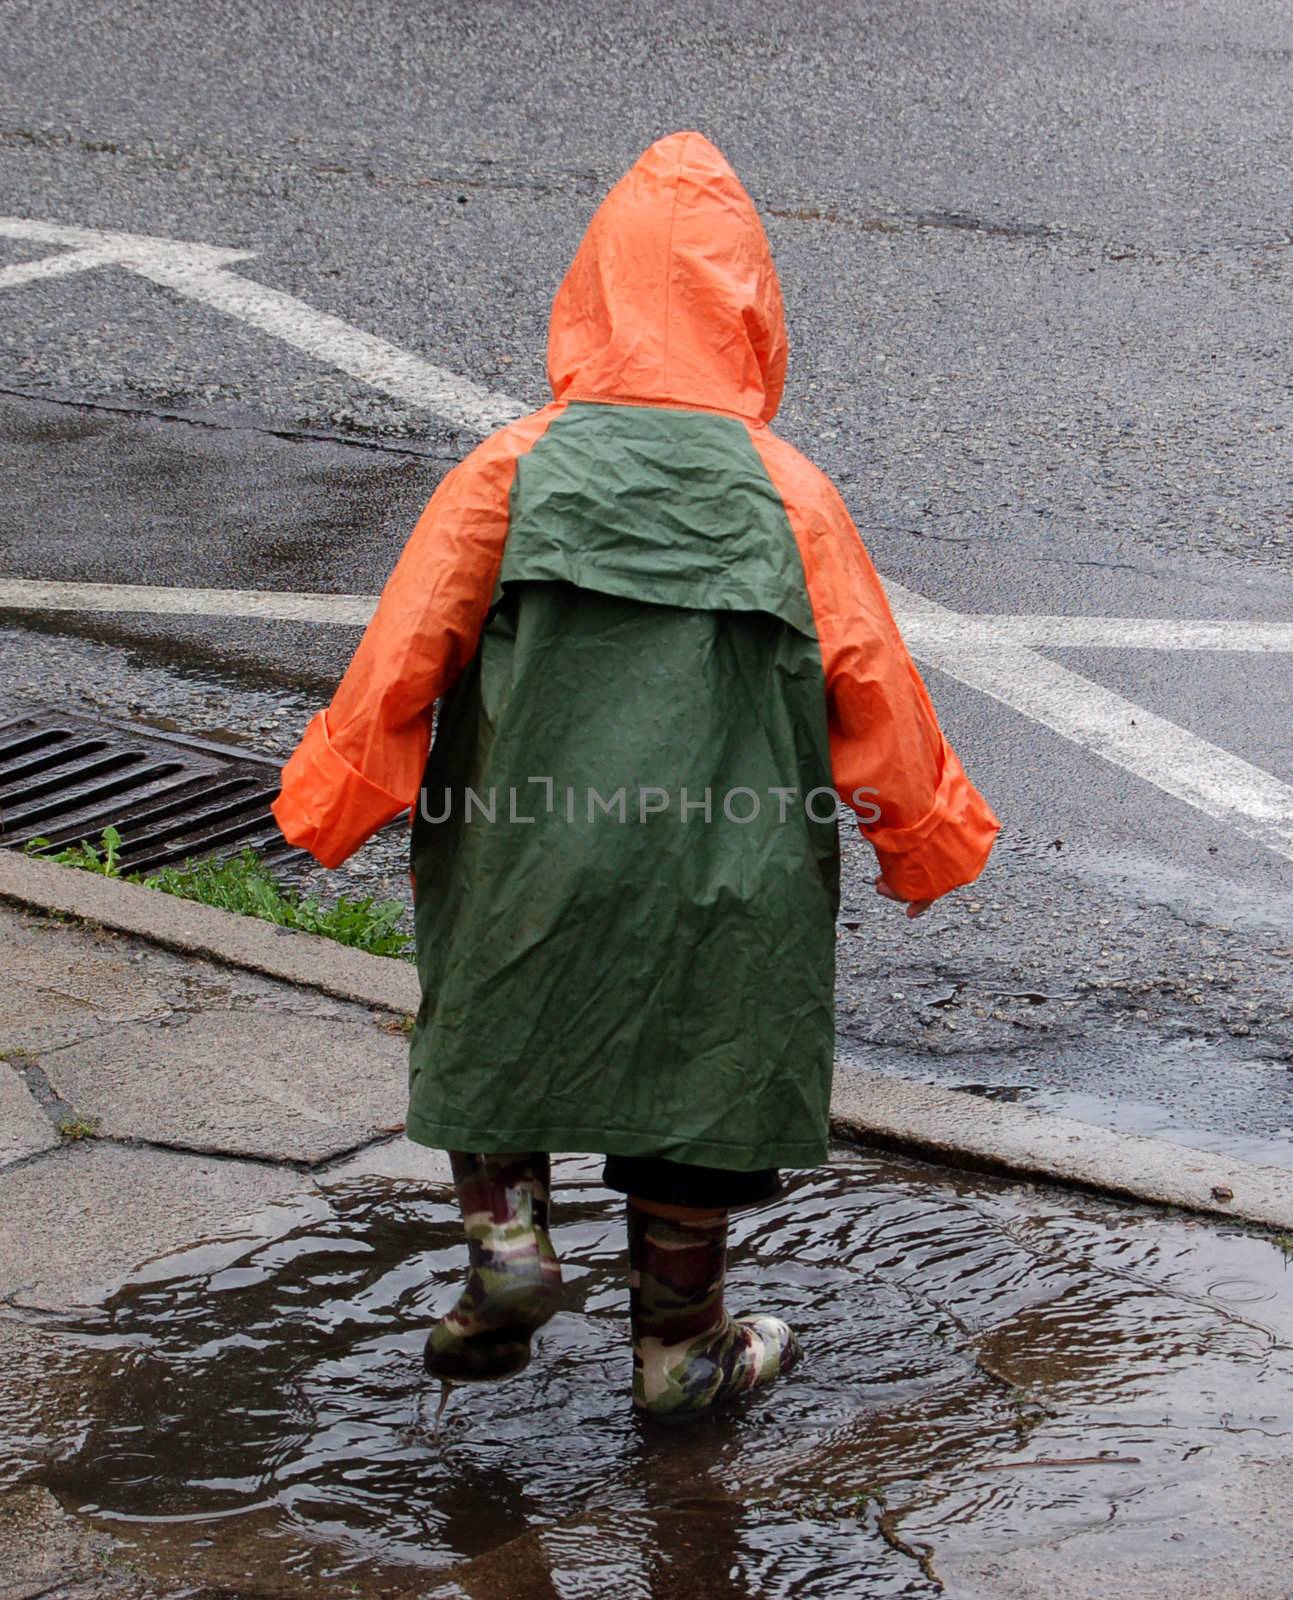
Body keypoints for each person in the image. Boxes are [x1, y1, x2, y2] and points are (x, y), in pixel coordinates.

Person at [271, 130, 999, 1423]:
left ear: (591, 298)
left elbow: (402, 657)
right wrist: (921, 840)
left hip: (524, 840)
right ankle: (680, 1349)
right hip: (732, 862)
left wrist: (334, 804)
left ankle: (507, 1252)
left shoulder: (508, 470)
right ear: (747, 318)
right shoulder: (789, 497)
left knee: (500, 1018)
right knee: (701, 1075)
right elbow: (874, 695)